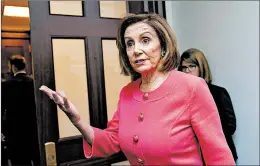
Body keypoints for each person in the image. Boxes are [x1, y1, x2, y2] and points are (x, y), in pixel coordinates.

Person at [40, 13, 235, 165]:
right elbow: (111, 140)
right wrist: (77, 119)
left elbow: (218, 157)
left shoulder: (192, 87)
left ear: (163, 45)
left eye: (145, 40)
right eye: (129, 43)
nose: (136, 50)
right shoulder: (127, 92)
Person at [178, 48, 238, 162]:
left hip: (218, 156)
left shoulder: (218, 92)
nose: (187, 71)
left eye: (192, 66)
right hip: (191, 158)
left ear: (202, 67)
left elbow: (230, 126)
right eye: (183, 67)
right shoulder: (178, 96)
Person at [2, 55, 40, 165]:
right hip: (34, 130)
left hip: (14, 132)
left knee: (20, 161)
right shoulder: (35, 83)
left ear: (13, 67)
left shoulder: (5, 86)